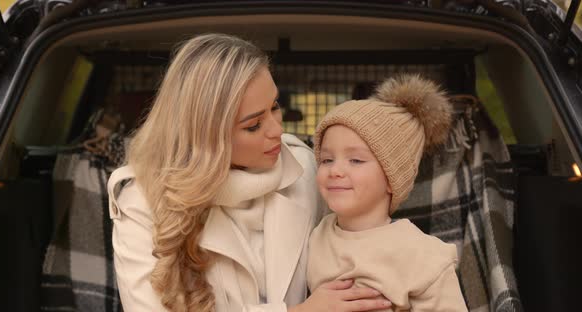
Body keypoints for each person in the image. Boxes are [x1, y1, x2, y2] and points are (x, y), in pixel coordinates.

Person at [106, 33, 392, 312]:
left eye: (275, 107)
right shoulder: (141, 203)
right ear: (206, 137)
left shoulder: (305, 167)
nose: (277, 130)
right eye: (253, 125)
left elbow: (356, 251)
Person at [307, 74, 468, 311]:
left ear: (392, 180)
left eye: (356, 160)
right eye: (326, 159)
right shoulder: (314, 236)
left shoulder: (424, 256)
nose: (336, 170)